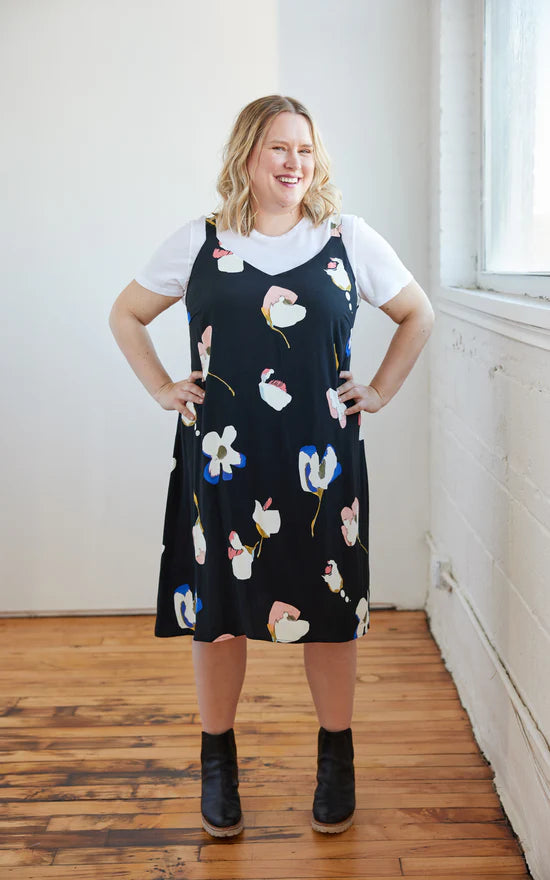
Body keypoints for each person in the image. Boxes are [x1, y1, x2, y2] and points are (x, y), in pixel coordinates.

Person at [109, 94, 435, 838]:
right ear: (248, 156)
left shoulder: (347, 239)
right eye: (279, 149)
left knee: (327, 616)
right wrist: (163, 387)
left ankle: (336, 757)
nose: (295, 163)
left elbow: (419, 313)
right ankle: (217, 760)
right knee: (220, 619)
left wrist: (379, 389)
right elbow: (125, 313)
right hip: (223, 465)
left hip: (321, 464)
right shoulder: (200, 240)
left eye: (306, 150)